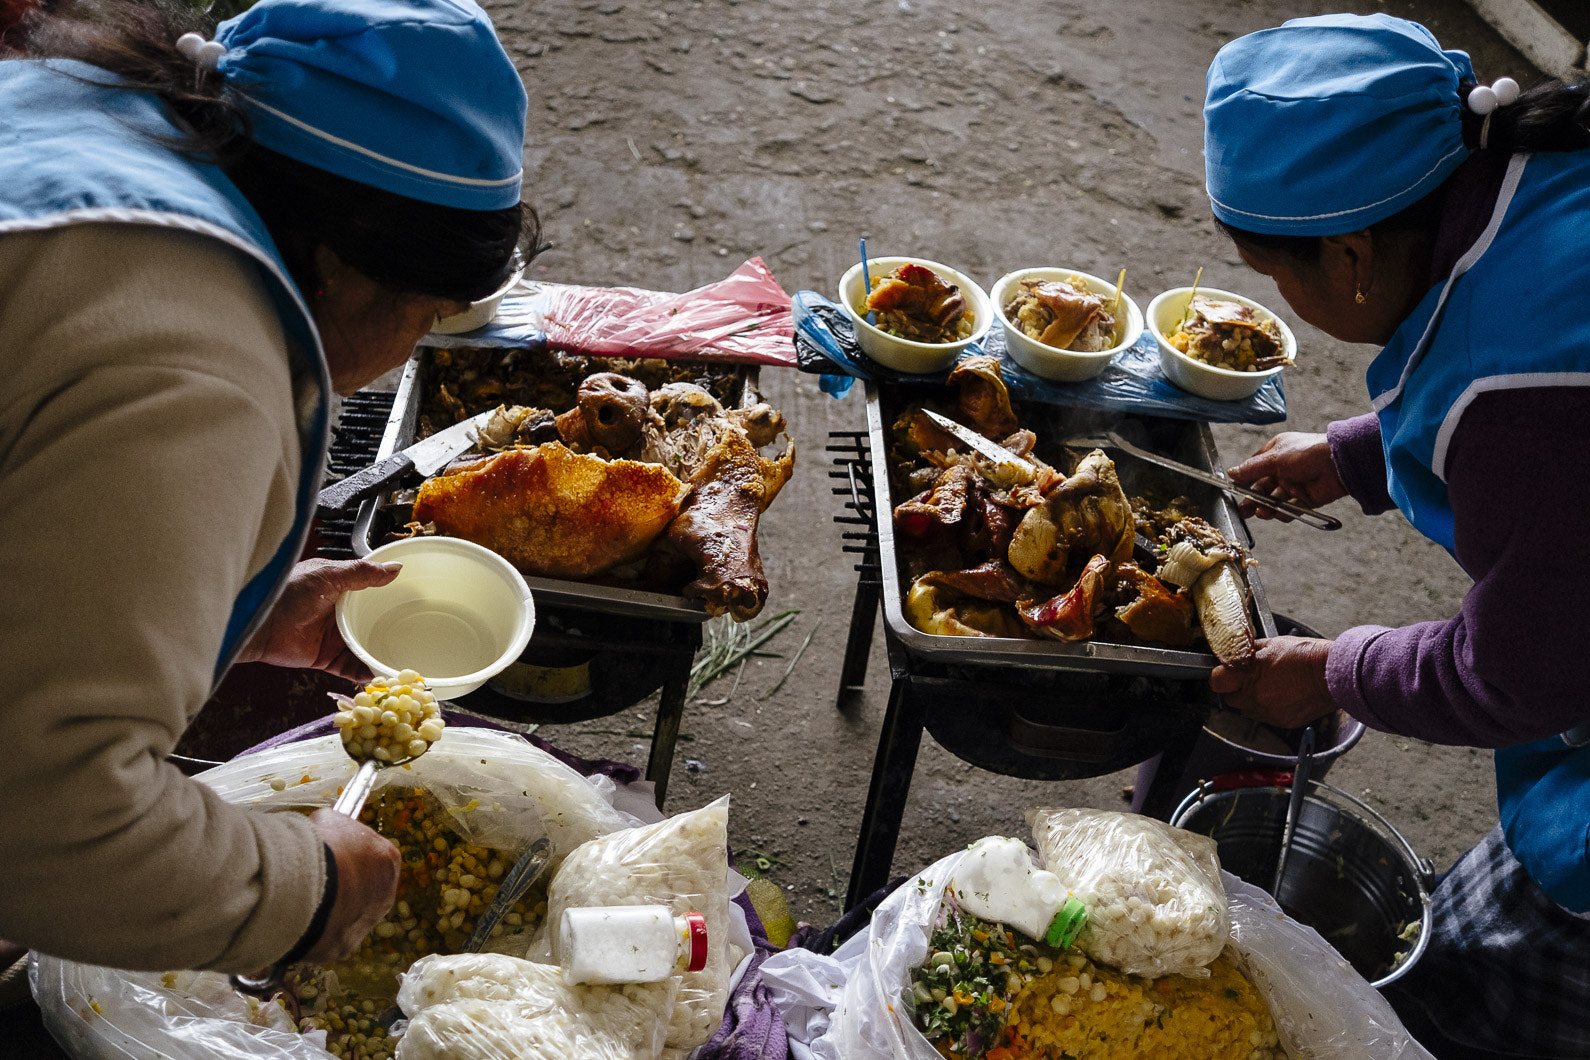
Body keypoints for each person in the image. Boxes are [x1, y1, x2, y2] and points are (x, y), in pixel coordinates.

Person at [0, 0, 540, 986]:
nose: (410, 347)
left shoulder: (85, 107)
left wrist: (222, 616)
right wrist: (305, 890)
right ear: (341, 268)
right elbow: (42, 819)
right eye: (424, 313)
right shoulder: (198, 369)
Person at [1197, 14, 1590, 1057]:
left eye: (1277, 275)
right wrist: (1357, 455)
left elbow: (1522, 675)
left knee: (1454, 1007)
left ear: (1355, 252)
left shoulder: (1521, 387)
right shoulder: (1529, 180)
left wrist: (1334, 670)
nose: (1280, 296)